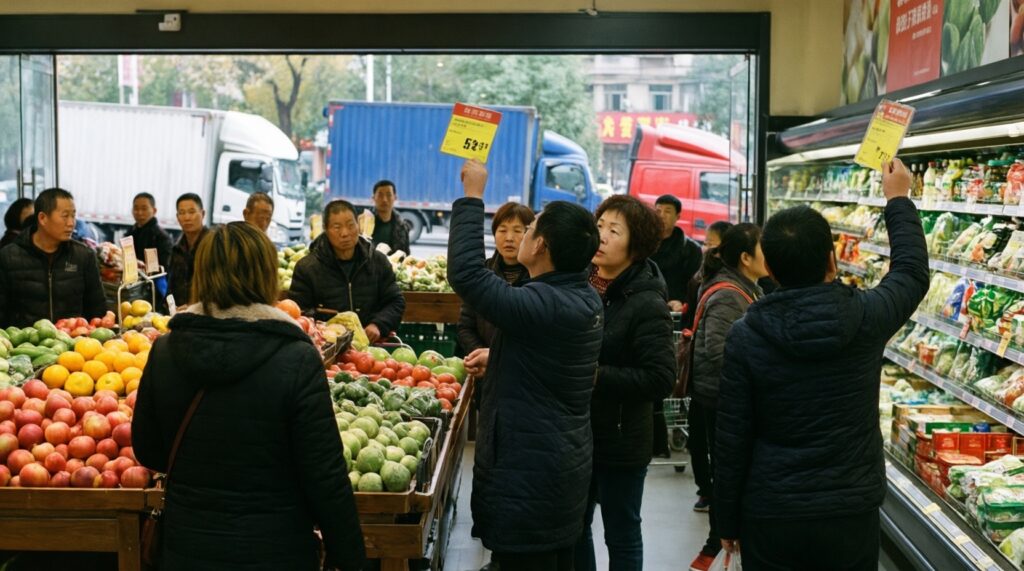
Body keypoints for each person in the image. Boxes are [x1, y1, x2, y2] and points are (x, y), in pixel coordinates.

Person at [715, 159, 929, 570]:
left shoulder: (746, 334)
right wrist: (897, 199)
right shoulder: (867, 317)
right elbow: (911, 273)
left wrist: (726, 517)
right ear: (832, 263)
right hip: (849, 510)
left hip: (771, 511)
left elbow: (732, 435)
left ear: (771, 270)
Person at [132, 221, 366, 570]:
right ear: (265, 274)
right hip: (277, 547)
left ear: (204, 272)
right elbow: (325, 475)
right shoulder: (296, 356)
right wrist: (349, 557)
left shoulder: (166, 350)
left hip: (189, 546)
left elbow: (149, 449)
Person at [447, 160, 602, 571]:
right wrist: (498, 355)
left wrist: (472, 197)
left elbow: (465, 274)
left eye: (530, 229)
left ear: (542, 246)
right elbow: (547, 356)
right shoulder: (577, 296)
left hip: (531, 474)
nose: (521, 236)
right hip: (556, 465)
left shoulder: (544, 302)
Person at [575, 195, 676, 571]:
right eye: (599, 225)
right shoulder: (584, 283)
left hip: (621, 439)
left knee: (621, 533)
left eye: (613, 230)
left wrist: (594, 374)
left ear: (635, 246)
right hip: (578, 433)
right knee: (574, 528)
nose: (600, 236)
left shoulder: (647, 301)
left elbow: (661, 377)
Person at [688, 222, 769, 571]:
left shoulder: (747, 288)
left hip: (726, 397)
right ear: (746, 257)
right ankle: (714, 545)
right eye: (763, 247)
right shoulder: (730, 294)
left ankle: (717, 542)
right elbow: (717, 351)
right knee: (728, 472)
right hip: (721, 399)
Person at [289, 199, 405, 343]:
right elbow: (299, 312)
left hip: (372, 346)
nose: (345, 233)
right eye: (337, 227)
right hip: (326, 345)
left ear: (358, 225)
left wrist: (378, 324)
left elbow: (395, 301)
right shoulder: (307, 268)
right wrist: (327, 327)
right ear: (326, 229)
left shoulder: (378, 262)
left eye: (350, 225)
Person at [681, 219, 733, 513]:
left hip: (702, 378)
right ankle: (708, 490)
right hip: (710, 380)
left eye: (711, 243)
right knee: (706, 437)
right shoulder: (710, 284)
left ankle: (707, 490)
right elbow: (713, 345)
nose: (706, 248)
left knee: (703, 437)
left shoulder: (706, 280)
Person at [0, 188, 106, 327]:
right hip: (26, 346)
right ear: (42, 218)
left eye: (73, 216)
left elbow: (97, 310)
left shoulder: (83, 256)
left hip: (74, 344)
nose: (71, 223)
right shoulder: (9, 257)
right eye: (65, 215)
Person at [456, 201, 535, 378]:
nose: (509, 238)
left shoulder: (538, 278)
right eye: (502, 230)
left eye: (517, 231)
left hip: (524, 372)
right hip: (484, 373)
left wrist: (501, 359)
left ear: (531, 235)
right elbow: (465, 327)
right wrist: (482, 356)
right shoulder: (481, 275)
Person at [650, 194, 703, 314]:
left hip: (677, 308)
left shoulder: (691, 249)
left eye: (667, 211)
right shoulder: (644, 244)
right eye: (658, 211)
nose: (662, 216)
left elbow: (694, 284)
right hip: (647, 304)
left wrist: (682, 300)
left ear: (678, 216)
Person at [168, 193, 210, 307]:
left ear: (202, 214)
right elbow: (172, 285)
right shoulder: (176, 248)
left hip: (205, 312)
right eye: (182, 213)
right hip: (179, 313)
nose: (186, 217)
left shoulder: (213, 245)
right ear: (177, 217)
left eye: (192, 212)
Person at [125, 192, 173, 269]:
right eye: (136, 208)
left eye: (144, 209)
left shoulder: (161, 237)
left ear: (154, 211)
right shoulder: (130, 232)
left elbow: (164, 267)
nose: (139, 213)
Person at [369, 180, 411, 255]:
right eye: (380, 195)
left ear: (395, 197)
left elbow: (406, 256)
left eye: (389, 195)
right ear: (373, 198)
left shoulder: (402, 227)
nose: (384, 200)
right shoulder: (364, 224)